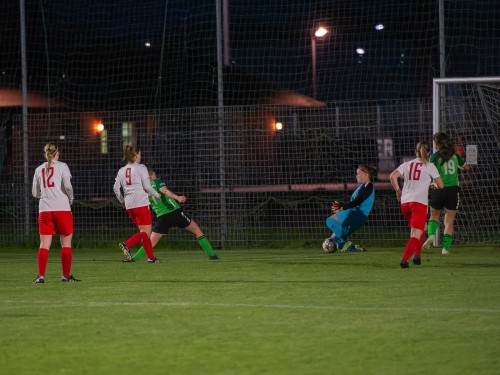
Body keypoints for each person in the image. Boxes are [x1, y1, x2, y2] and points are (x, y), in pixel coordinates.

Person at [123, 167, 219, 262]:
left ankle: (134, 258)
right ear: (151, 175)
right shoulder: (157, 181)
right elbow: (165, 191)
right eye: (154, 175)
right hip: (175, 212)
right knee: (196, 230)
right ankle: (211, 255)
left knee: (151, 242)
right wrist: (177, 197)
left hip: (162, 217)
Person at [389, 141, 444, 268]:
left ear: (415, 152)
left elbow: (392, 176)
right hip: (418, 203)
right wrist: (434, 184)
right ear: (429, 153)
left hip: (405, 203)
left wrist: (398, 190)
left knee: (422, 228)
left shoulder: (407, 164)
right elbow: (441, 185)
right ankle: (404, 260)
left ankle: (417, 256)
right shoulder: (429, 166)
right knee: (416, 233)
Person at [32, 143, 79, 283]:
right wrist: (70, 198)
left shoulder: (38, 169)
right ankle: (66, 276)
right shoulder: (62, 166)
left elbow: (35, 193)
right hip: (62, 208)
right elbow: (68, 186)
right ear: (57, 153)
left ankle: (41, 276)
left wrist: (46, 196)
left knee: (44, 244)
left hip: (45, 209)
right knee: (66, 242)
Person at [423, 132, 471, 254]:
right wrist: (458, 167)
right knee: (449, 221)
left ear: (436, 144)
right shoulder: (455, 155)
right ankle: (445, 249)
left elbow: (428, 172)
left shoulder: (434, 157)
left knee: (434, 217)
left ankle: (431, 236)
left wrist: (432, 182)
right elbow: (467, 167)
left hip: (438, 190)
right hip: (453, 191)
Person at [113, 145, 161, 263]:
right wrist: (157, 194)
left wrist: (122, 201)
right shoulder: (141, 167)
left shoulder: (121, 170)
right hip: (140, 202)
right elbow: (147, 186)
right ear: (135, 155)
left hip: (129, 205)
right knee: (146, 233)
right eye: (140, 154)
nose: (141, 156)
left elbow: (115, 188)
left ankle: (151, 258)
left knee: (143, 233)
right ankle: (126, 244)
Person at [322, 165, 376, 253]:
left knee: (330, 221)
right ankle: (351, 247)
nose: (356, 176)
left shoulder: (368, 185)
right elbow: (356, 202)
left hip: (356, 214)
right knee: (337, 234)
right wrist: (341, 209)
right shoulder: (363, 186)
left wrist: (342, 206)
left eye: (358, 174)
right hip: (357, 217)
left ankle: (345, 243)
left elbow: (358, 201)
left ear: (366, 174)